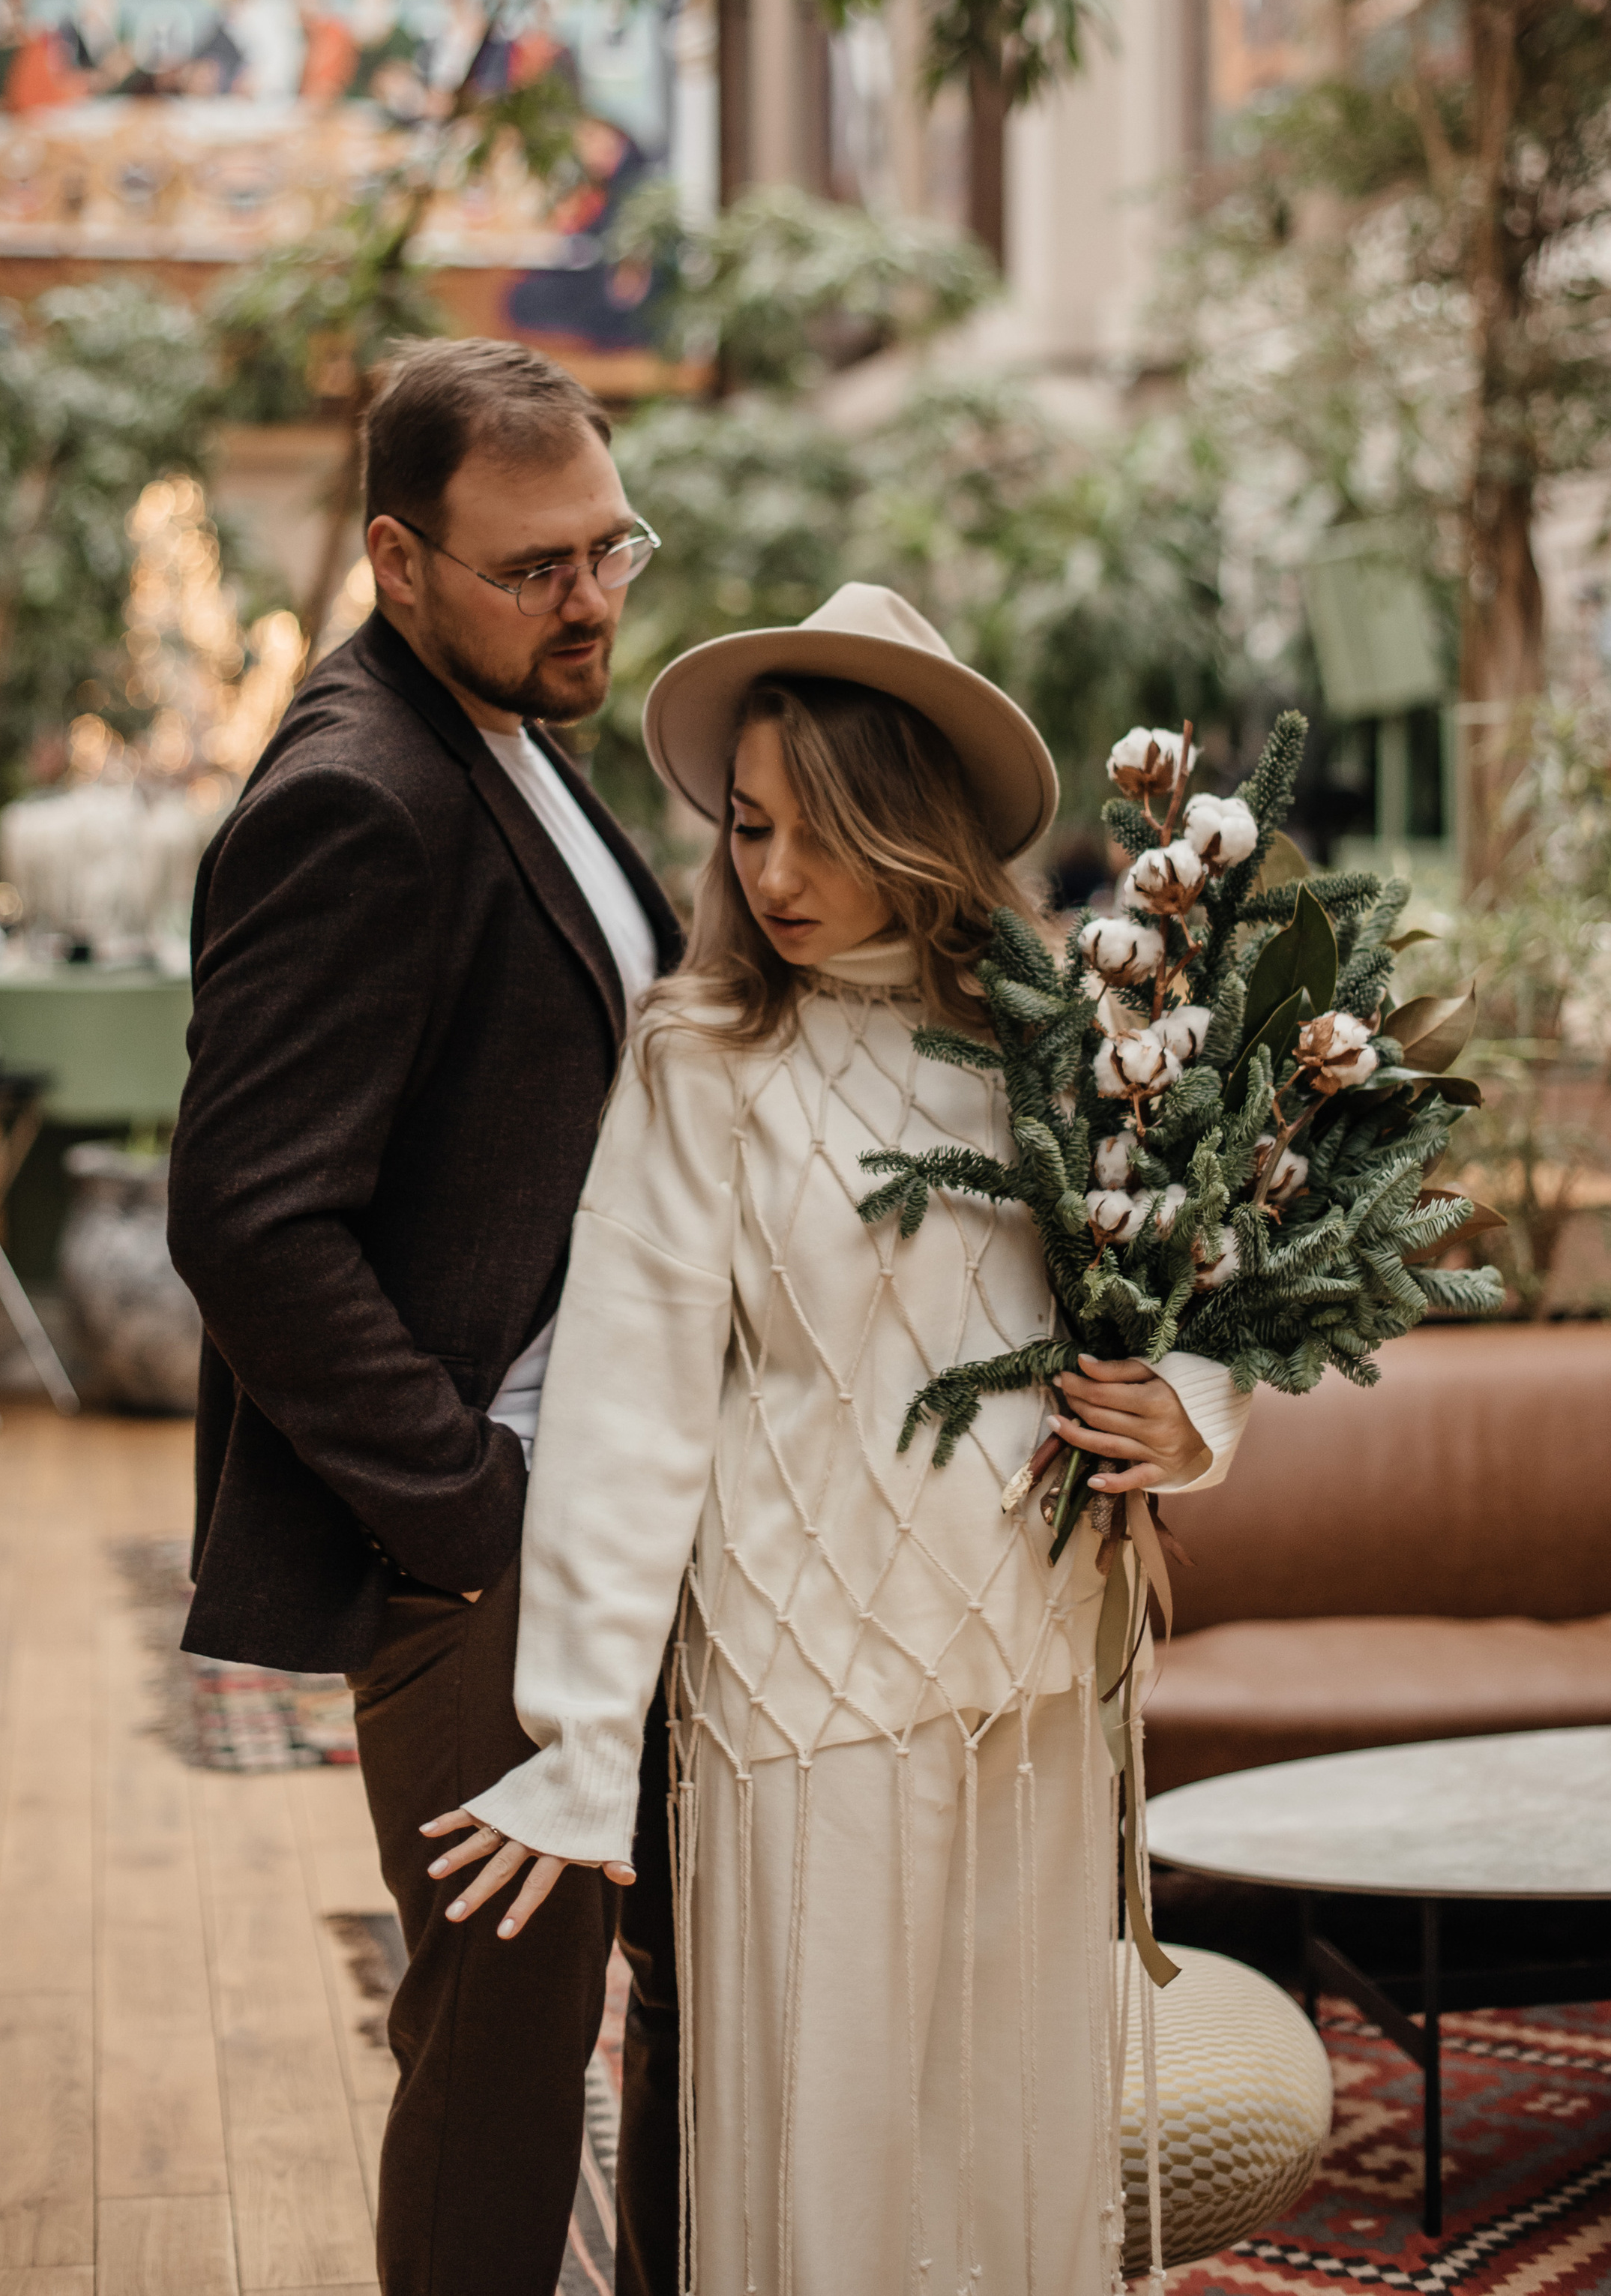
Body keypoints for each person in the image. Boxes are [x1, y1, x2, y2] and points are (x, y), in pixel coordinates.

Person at [439, 586, 1255, 2295]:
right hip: (797, 1688)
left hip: (1029, 1674)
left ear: (919, 825)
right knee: (823, 2157)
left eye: (821, 829)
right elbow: (622, 1399)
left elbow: (1222, 1271)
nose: (772, 874)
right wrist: (580, 1730)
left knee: (1002, 2133)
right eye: (746, 827)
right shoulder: (702, 1060)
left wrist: (1191, 1407)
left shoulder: (1074, 1040)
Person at [165, 339, 685, 2296]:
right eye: (535, 565)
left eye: (610, 547)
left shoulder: (512, 729)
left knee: (619, 2012)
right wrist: (472, 1516)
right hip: (494, 1563)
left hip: (602, 1510)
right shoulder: (362, 796)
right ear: (396, 558)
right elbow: (249, 1218)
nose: (593, 600)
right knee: (501, 2056)